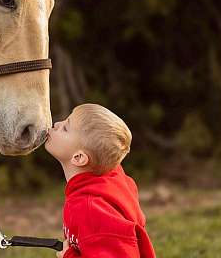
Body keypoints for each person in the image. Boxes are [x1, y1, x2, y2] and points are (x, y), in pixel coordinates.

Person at [45, 103, 156, 258]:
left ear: (79, 157)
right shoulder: (109, 179)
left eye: (65, 128)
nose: (57, 124)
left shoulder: (92, 210)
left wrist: (69, 255)